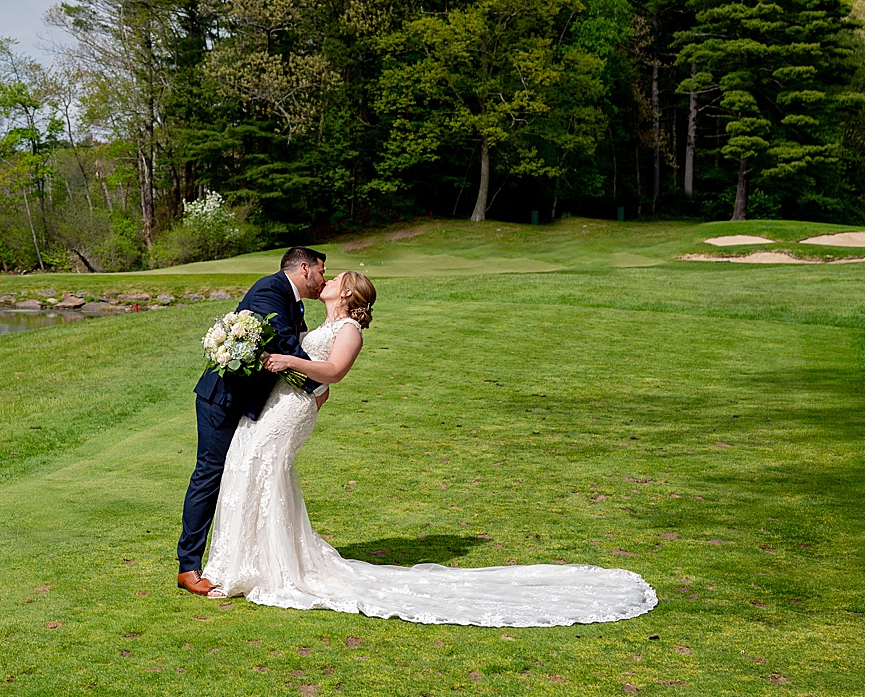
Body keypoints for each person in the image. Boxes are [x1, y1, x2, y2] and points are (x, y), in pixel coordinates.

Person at [199, 270, 658, 627]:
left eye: (335, 279)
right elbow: (320, 378)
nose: (327, 279)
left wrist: (290, 363)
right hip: (284, 405)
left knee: (263, 469)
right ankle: (243, 560)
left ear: (348, 293)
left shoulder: (350, 332)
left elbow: (334, 372)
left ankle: (264, 568)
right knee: (248, 464)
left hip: (289, 413)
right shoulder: (324, 322)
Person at [176, 246, 326, 597]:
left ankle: (241, 557)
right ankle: (187, 567)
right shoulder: (269, 290)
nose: (323, 279)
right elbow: (287, 345)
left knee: (236, 474)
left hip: (246, 402)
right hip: (222, 399)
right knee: (209, 474)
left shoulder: (293, 301)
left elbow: (291, 348)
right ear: (304, 268)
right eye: (321, 270)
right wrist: (319, 385)